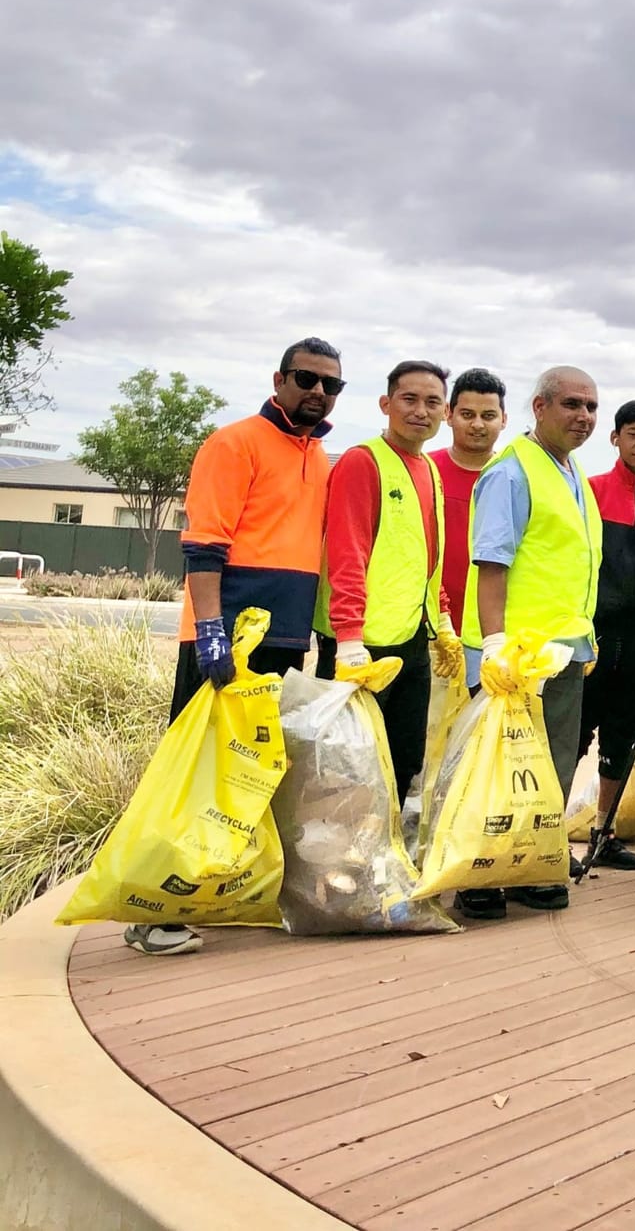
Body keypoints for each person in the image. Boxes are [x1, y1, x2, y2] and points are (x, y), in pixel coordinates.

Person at [129, 337, 342, 957]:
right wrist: (213, 631)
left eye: (331, 384)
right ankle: (151, 912)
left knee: (251, 777)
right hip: (224, 644)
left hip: (282, 643)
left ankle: (222, 894)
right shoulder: (234, 443)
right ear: (279, 379)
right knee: (199, 775)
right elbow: (203, 547)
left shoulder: (323, 457)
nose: (318, 392)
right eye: (306, 379)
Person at [459, 366, 603, 921]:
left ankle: (529, 866)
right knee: (499, 769)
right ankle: (480, 876)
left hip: (564, 651)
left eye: (591, 406)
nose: (584, 416)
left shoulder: (570, 472)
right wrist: (494, 643)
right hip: (515, 657)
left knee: (552, 765)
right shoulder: (512, 472)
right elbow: (491, 562)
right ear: (539, 407)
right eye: (572, 404)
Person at [317, 360, 462, 802]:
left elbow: (427, 560)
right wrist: (348, 639)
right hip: (361, 650)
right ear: (386, 404)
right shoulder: (364, 462)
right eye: (409, 399)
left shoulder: (428, 469)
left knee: (402, 762)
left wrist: (443, 625)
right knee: (348, 769)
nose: (421, 411)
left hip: (410, 641)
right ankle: (336, 869)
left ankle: (382, 862)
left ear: (446, 411)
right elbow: (348, 552)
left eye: (432, 402)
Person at [578, 398, 635, 873]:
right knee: (573, 734)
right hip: (593, 630)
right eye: (633, 434)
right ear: (615, 438)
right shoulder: (590, 491)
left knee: (623, 735)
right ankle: (547, 834)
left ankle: (603, 833)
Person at [430, 368, 507, 636]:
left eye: (488, 416)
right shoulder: (425, 470)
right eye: (467, 415)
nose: (477, 425)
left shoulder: (514, 478)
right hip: (432, 628)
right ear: (448, 414)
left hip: (496, 634)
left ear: (503, 419)